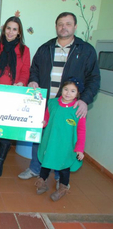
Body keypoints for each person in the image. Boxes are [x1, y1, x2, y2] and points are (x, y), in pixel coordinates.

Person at [18, 12, 100, 181]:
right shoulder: (45, 48)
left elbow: (94, 78)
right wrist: (33, 81)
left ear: (75, 26)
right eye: (61, 24)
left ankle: (59, 173)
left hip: (70, 107)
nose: (64, 27)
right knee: (39, 136)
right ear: (56, 27)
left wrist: (84, 100)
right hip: (47, 104)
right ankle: (35, 168)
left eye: (68, 24)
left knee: (65, 140)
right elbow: (34, 70)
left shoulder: (86, 50)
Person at [0, 16, 30, 178]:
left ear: (19, 33)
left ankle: (0, 163)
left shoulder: (25, 50)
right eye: (8, 28)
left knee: (6, 133)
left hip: (13, 96)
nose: (10, 32)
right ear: (4, 29)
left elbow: (25, 72)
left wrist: (22, 83)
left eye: (14, 29)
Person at [35, 77, 86, 201]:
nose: (68, 93)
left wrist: (79, 149)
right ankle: (42, 181)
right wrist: (43, 123)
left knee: (64, 167)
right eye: (66, 89)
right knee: (46, 162)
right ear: (61, 89)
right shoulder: (52, 103)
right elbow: (47, 118)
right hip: (51, 141)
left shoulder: (78, 110)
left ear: (78, 93)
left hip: (66, 145)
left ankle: (63, 187)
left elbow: (81, 130)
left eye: (73, 91)